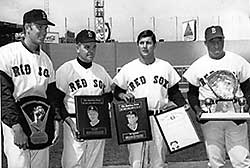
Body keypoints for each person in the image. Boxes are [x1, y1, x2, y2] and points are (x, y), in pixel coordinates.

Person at [113, 29, 188, 168]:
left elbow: (174, 92)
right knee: (137, 161)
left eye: (148, 42)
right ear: (137, 45)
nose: (145, 46)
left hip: (159, 117)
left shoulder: (165, 66)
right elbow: (117, 91)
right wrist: (123, 95)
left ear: (154, 45)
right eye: (141, 43)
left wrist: (183, 105)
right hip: (136, 117)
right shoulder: (129, 68)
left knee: (158, 160)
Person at [183, 25, 250, 168]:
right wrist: (197, 109)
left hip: (235, 116)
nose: (216, 44)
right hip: (210, 118)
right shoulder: (198, 65)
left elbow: (248, 88)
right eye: (212, 41)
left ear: (224, 40)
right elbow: (192, 93)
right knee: (215, 161)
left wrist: (246, 106)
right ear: (205, 43)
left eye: (219, 40)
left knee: (241, 160)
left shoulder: (238, 61)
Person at [0, 9, 60, 168]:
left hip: (41, 120)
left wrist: (55, 120)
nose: (44, 32)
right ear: (27, 28)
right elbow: (4, 95)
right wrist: (15, 126)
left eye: (46, 28)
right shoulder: (7, 53)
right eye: (39, 27)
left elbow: (51, 95)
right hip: (17, 120)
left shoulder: (46, 60)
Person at [55, 29, 113, 168]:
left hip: (97, 124)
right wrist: (69, 123)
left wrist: (104, 105)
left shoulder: (100, 70)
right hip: (74, 123)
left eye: (94, 47)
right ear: (77, 47)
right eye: (87, 47)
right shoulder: (66, 69)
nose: (91, 51)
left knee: (95, 163)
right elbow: (57, 101)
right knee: (73, 163)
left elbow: (109, 94)